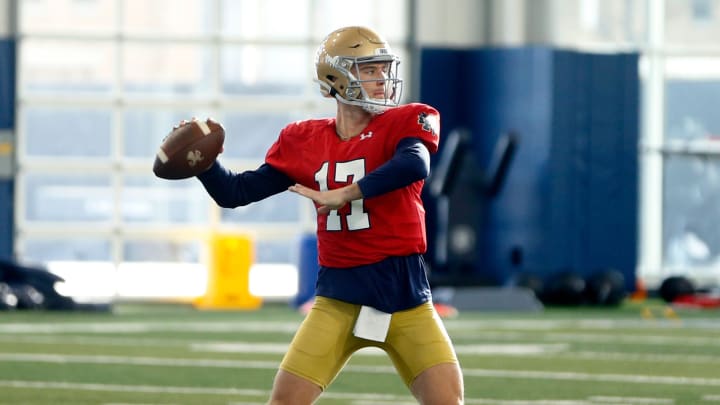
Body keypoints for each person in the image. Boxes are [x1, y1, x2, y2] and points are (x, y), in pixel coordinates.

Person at [192, 26, 464, 404]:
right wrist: (203, 164)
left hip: (407, 298)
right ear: (337, 78)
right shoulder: (304, 140)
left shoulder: (404, 122)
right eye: (370, 70)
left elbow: (414, 165)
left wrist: (349, 193)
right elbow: (236, 192)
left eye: (384, 69)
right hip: (338, 301)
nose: (382, 80)